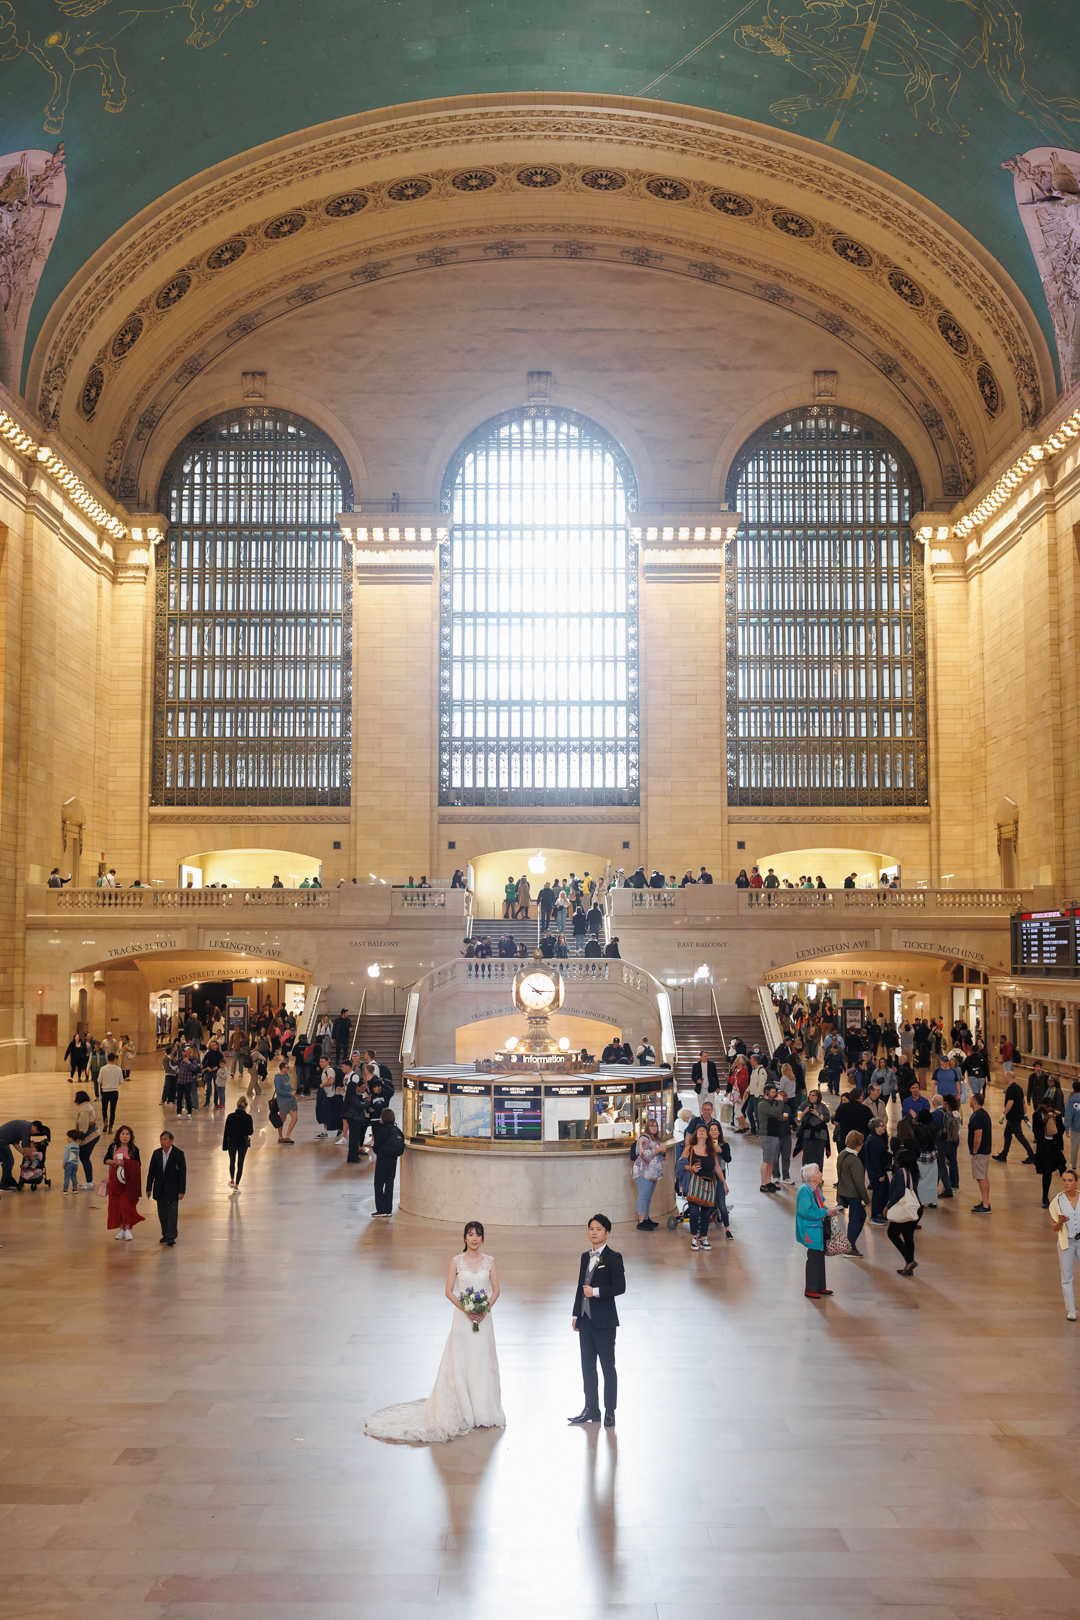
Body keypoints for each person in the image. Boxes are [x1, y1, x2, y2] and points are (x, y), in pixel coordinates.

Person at [365, 1221, 505, 1442]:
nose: (474, 1238)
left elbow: (496, 1290)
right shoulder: (456, 1261)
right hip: (462, 1318)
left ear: (483, 1238)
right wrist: (466, 1309)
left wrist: (484, 1310)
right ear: (464, 1238)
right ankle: (463, 1409)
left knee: (481, 1361)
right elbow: (449, 1291)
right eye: (470, 1235)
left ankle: (483, 1410)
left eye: (478, 1235)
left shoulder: (490, 1262)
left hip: (484, 1320)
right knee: (461, 1361)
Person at [566, 1214, 624, 1427]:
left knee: (608, 1367)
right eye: (591, 1228)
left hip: (605, 1323)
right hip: (585, 1320)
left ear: (607, 1233)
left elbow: (620, 1287)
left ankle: (610, 1410)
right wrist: (576, 1314)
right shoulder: (585, 1256)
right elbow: (580, 1287)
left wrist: (596, 1292)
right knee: (587, 1367)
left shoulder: (613, 1257)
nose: (594, 1232)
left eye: (599, 1229)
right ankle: (591, 1408)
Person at [796, 1164, 833, 1299]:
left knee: (819, 1256)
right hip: (811, 1230)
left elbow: (820, 1205)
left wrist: (829, 1210)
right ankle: (810, 1288)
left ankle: (820, 1286)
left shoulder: (815, 1189)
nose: (821, 1174)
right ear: (811, 1178)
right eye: (819, 1172)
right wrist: (825, 1212)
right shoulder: (804, 1191)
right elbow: (806, 1211)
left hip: (818, 1228)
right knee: (813, 1258)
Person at [145, 1131, 186, 1246]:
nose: (163, 1142)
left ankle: (171, 1236)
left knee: (172, 1213)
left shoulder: (178, 1154)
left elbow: (182, 1174)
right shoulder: (156, 1153)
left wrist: (181, 1191)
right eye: (161, 1139)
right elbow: (151, 1172)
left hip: (173, 1189)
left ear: (171, 1141)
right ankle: (165, 1234)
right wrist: (149, 1188)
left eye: (165, 1139)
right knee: (162, 1213)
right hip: (160, 1189)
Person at [103, 1126, 144, 1241]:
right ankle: (121, 1229)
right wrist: (115, 1162)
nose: (125, 1136)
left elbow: (138, 1164)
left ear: (130, 1136)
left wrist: (127, 1164)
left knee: (127, 1204)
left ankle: (127, 1229)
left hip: (128, 1181)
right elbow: (106, 1160)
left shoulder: (134, 1149)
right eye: (123, 1134)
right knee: (116, 1205)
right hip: (115, 1179)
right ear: (118, 1136)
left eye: (127, 1134)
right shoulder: (113, 1147)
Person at [1050, 1168, 1080, 1321]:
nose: (1066, 1183)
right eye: (1064, 1180)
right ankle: (1071, 1310)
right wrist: (1060, 1222)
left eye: (1070, 1180)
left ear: (1076, 1182)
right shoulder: (1057, 1201)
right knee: (1066, 1276)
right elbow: (1054, 1227)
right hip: (1066, 1242)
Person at [886, 1148, 921, 1275]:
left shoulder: (901, 1173)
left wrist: (888, 1207)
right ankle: (908, 1267)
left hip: (904, 1206)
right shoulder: (914, 1172)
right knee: (908, 1237)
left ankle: (910, 1261)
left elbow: (899, 1193)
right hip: (914, 1207)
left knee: (892, 1233)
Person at [835, 1131, 869, 1256]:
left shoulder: (842, 1154)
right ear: (859, 1145)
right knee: (856, 1219)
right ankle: (849, 1246)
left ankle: (851, 1244)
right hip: (853, 1194)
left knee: (860, 1216)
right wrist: (867, 1200)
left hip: (844, 1191)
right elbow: (859, 1183)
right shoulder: (855, 1161)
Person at [994, 1071, 1035, 1164]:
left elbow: (1010, 1102)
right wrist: (1024, 1114)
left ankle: (1032, 1155)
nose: (1003, 1079)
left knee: (1019, 1136)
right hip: (1016, 1116)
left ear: (1008, 1077)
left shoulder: (1011, 1089)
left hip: (1013, 1116)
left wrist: (1004, 1113)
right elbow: (1023, 1102)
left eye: (1004, 1077)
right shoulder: (1018, 1088)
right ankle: (1004, 1154)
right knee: (1007, 1134)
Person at [371, 1106, 406, 1217]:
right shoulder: (397, 1130)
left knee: (379, 1184)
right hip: (393, 1160)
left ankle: (381, 1210)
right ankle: (388, 1209)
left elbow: (376, 1146)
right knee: (389, 1183)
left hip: (383, 1159)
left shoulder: (382, 1131)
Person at [1033, 1100, 1067, 1207]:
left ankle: (1068, 1194)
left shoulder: (1056, 1115)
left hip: (1053, 1146)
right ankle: (1044, 1197)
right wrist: (1043, 1122)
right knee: (1047, 1172)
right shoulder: (1037, 1115)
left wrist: (1057, 1124)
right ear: (1043, 1105)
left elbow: (1061, 1131)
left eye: (1052, 1106)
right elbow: (1036, 1133)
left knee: (1063, 1168)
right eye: (1048, 1106)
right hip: (1043, 1147)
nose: (1050, 1108)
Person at [0, 1119, 45, 1189]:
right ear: (35, 1127)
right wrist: (32, 1157)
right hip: (1, 1140)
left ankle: (9, 1181)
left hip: (2, 1140)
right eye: (36, 1132)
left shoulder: (25, 1125)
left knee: (6, 1162)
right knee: (8, 1162)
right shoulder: (26, 1128)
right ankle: (3, 1184)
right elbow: (25, 1145)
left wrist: (23, 1153)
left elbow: (15, 1143)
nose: (34, 1134)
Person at [968, 1092, 993, 1213]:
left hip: (980, 1152)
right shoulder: (983, 1114)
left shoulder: (978, 1116)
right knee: (983, 1176)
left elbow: (978, 1136)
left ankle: (986, 1205)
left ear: (975, 1101)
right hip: (985, 1151)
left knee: (981, 1177)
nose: (969, 1100)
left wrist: (974, 1152)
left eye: (971, 1099)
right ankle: (985, 1201)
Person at [864, 1118, 892, 1223]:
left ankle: (880, 1212)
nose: (884, 1127)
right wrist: (880, 1174)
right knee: (879, 1193)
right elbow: (875, 1159)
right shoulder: (874, 1140)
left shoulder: (878, 1137)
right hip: (877, 1172)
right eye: (881, 1125)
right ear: (876, 1128)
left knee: (884, 1192)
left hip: (879, 1170)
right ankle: (875, 1215)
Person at [222, 1096, 253, 1188]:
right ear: (245, 1106)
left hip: (231, 1142)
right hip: (243, 1143)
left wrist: (224, 1145)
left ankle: (231, 1179)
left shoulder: (230, 1116)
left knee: (232, 1161)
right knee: (240, 1163)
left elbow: (226, 1132)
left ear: (237, 1105)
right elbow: (250, 1132)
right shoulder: (248, 1117)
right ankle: (237, 1185)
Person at [98, 1051, 124, 1131]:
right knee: (113, 1110)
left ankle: (105, 1120)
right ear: (115, 1059)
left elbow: (99, 1080)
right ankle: (111, 1126)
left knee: (104, 1108)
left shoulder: (103, 1068)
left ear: (107, 1059)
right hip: (114, 1091)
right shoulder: (118, 1069)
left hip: (105, 1091)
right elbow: (121, 1081)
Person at [273, 1062, 298, 1143]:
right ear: (282, 1068)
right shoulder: (278, 1078)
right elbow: (278, 1091)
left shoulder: (287, 1076)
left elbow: (288, 1086)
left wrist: (293, 1092)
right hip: (283, 1102)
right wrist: (289, 1094)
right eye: (287, 1068)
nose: (288, 1069)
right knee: (282, 1120)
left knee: (295, 1118)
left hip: (291, 1100)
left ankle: (288, 1136)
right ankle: (280, 1137)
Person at [1066, 1081, 1080, 1173]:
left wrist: (1067, 1128)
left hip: (1075, 1128)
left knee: (1074, 1148)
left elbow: (1068, 1115)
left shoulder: (1072, 1100)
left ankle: (1073, 1167)